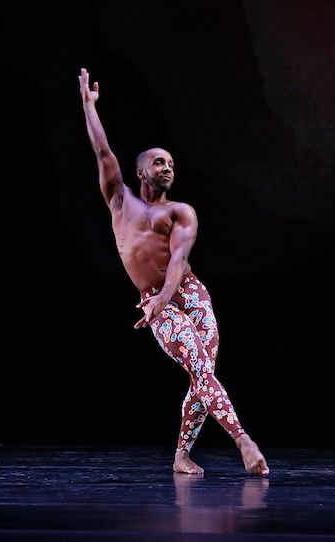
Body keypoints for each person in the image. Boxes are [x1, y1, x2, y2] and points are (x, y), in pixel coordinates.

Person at [78, 69, 268, 475]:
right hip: (155, 301)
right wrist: (89, 107)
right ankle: (243, 441)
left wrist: (164, 299)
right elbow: (102, 151)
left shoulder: (181, 212)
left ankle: (182, 454)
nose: (167, 167)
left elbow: (178, 264)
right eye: (158, 162)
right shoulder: (119, 200)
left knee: (203, 371)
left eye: (171, 163)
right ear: (140, 172)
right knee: (200, 369)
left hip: (188, 293)